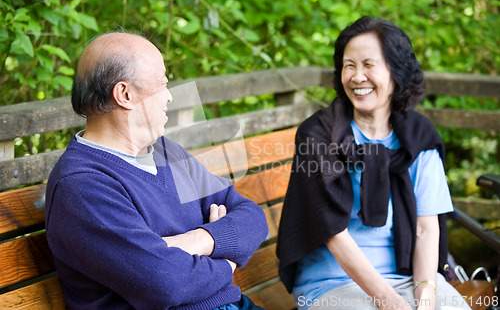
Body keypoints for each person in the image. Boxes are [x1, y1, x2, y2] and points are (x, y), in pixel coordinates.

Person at [45, 32, 268, 310]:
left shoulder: (166, 152)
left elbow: (254, 219)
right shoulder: (83, 186)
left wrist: (198, 240)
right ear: (125, 94)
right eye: (162, 84)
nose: (170, 96)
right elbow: (167, 284)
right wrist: (228, 259)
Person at [276, 17, 471, 310]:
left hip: (408, 277)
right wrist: (389, 302)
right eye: (349, 65)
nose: (357, 76)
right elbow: (333, 233)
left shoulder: (418, 137)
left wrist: (426, 301)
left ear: (396, 73)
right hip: (331, 282)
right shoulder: (318, 135)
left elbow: (426, 230)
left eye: (369, 65)